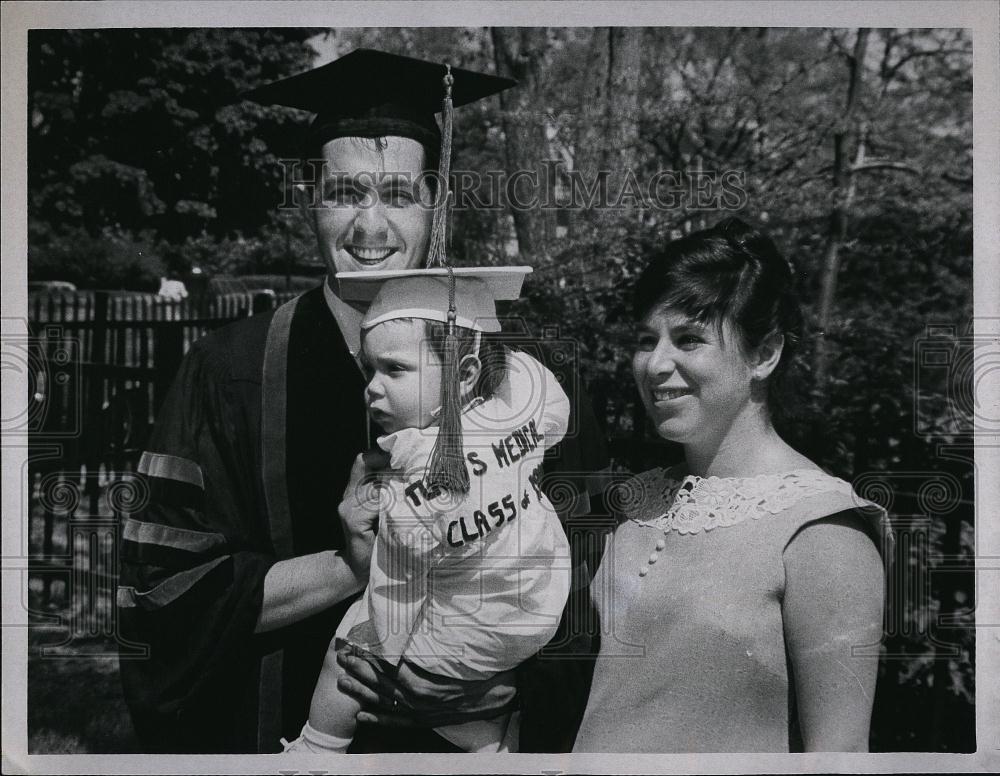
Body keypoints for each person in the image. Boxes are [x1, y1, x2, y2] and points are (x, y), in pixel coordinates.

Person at [116, 48, 608, 753]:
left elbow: (588, 561)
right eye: (346, 193)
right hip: (283, 734)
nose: (370, 228)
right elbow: (167, 594)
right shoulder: (228, 371)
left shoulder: (522, 371)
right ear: (312, 201)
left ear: (436, 202)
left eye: (399, 196)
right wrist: (352, 565)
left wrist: (509, 689)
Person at [571, 217, 890, 752]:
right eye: (646, 339)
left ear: (764, 354)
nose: (655, 364)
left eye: (689, 339)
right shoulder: (626, 506)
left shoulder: (822, 529)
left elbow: (838, 759)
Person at [284, 268, 573, 753]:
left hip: (475, 625)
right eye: (369, 370)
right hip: (537, 606)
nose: (372, 389)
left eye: (394, 370)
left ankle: (316, 748)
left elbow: (397, 585)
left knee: (354, 646)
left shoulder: (416, 477)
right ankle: (494, 745)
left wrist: (387, 651)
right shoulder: (520, 402)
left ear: (463, 375)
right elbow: (547, 403)